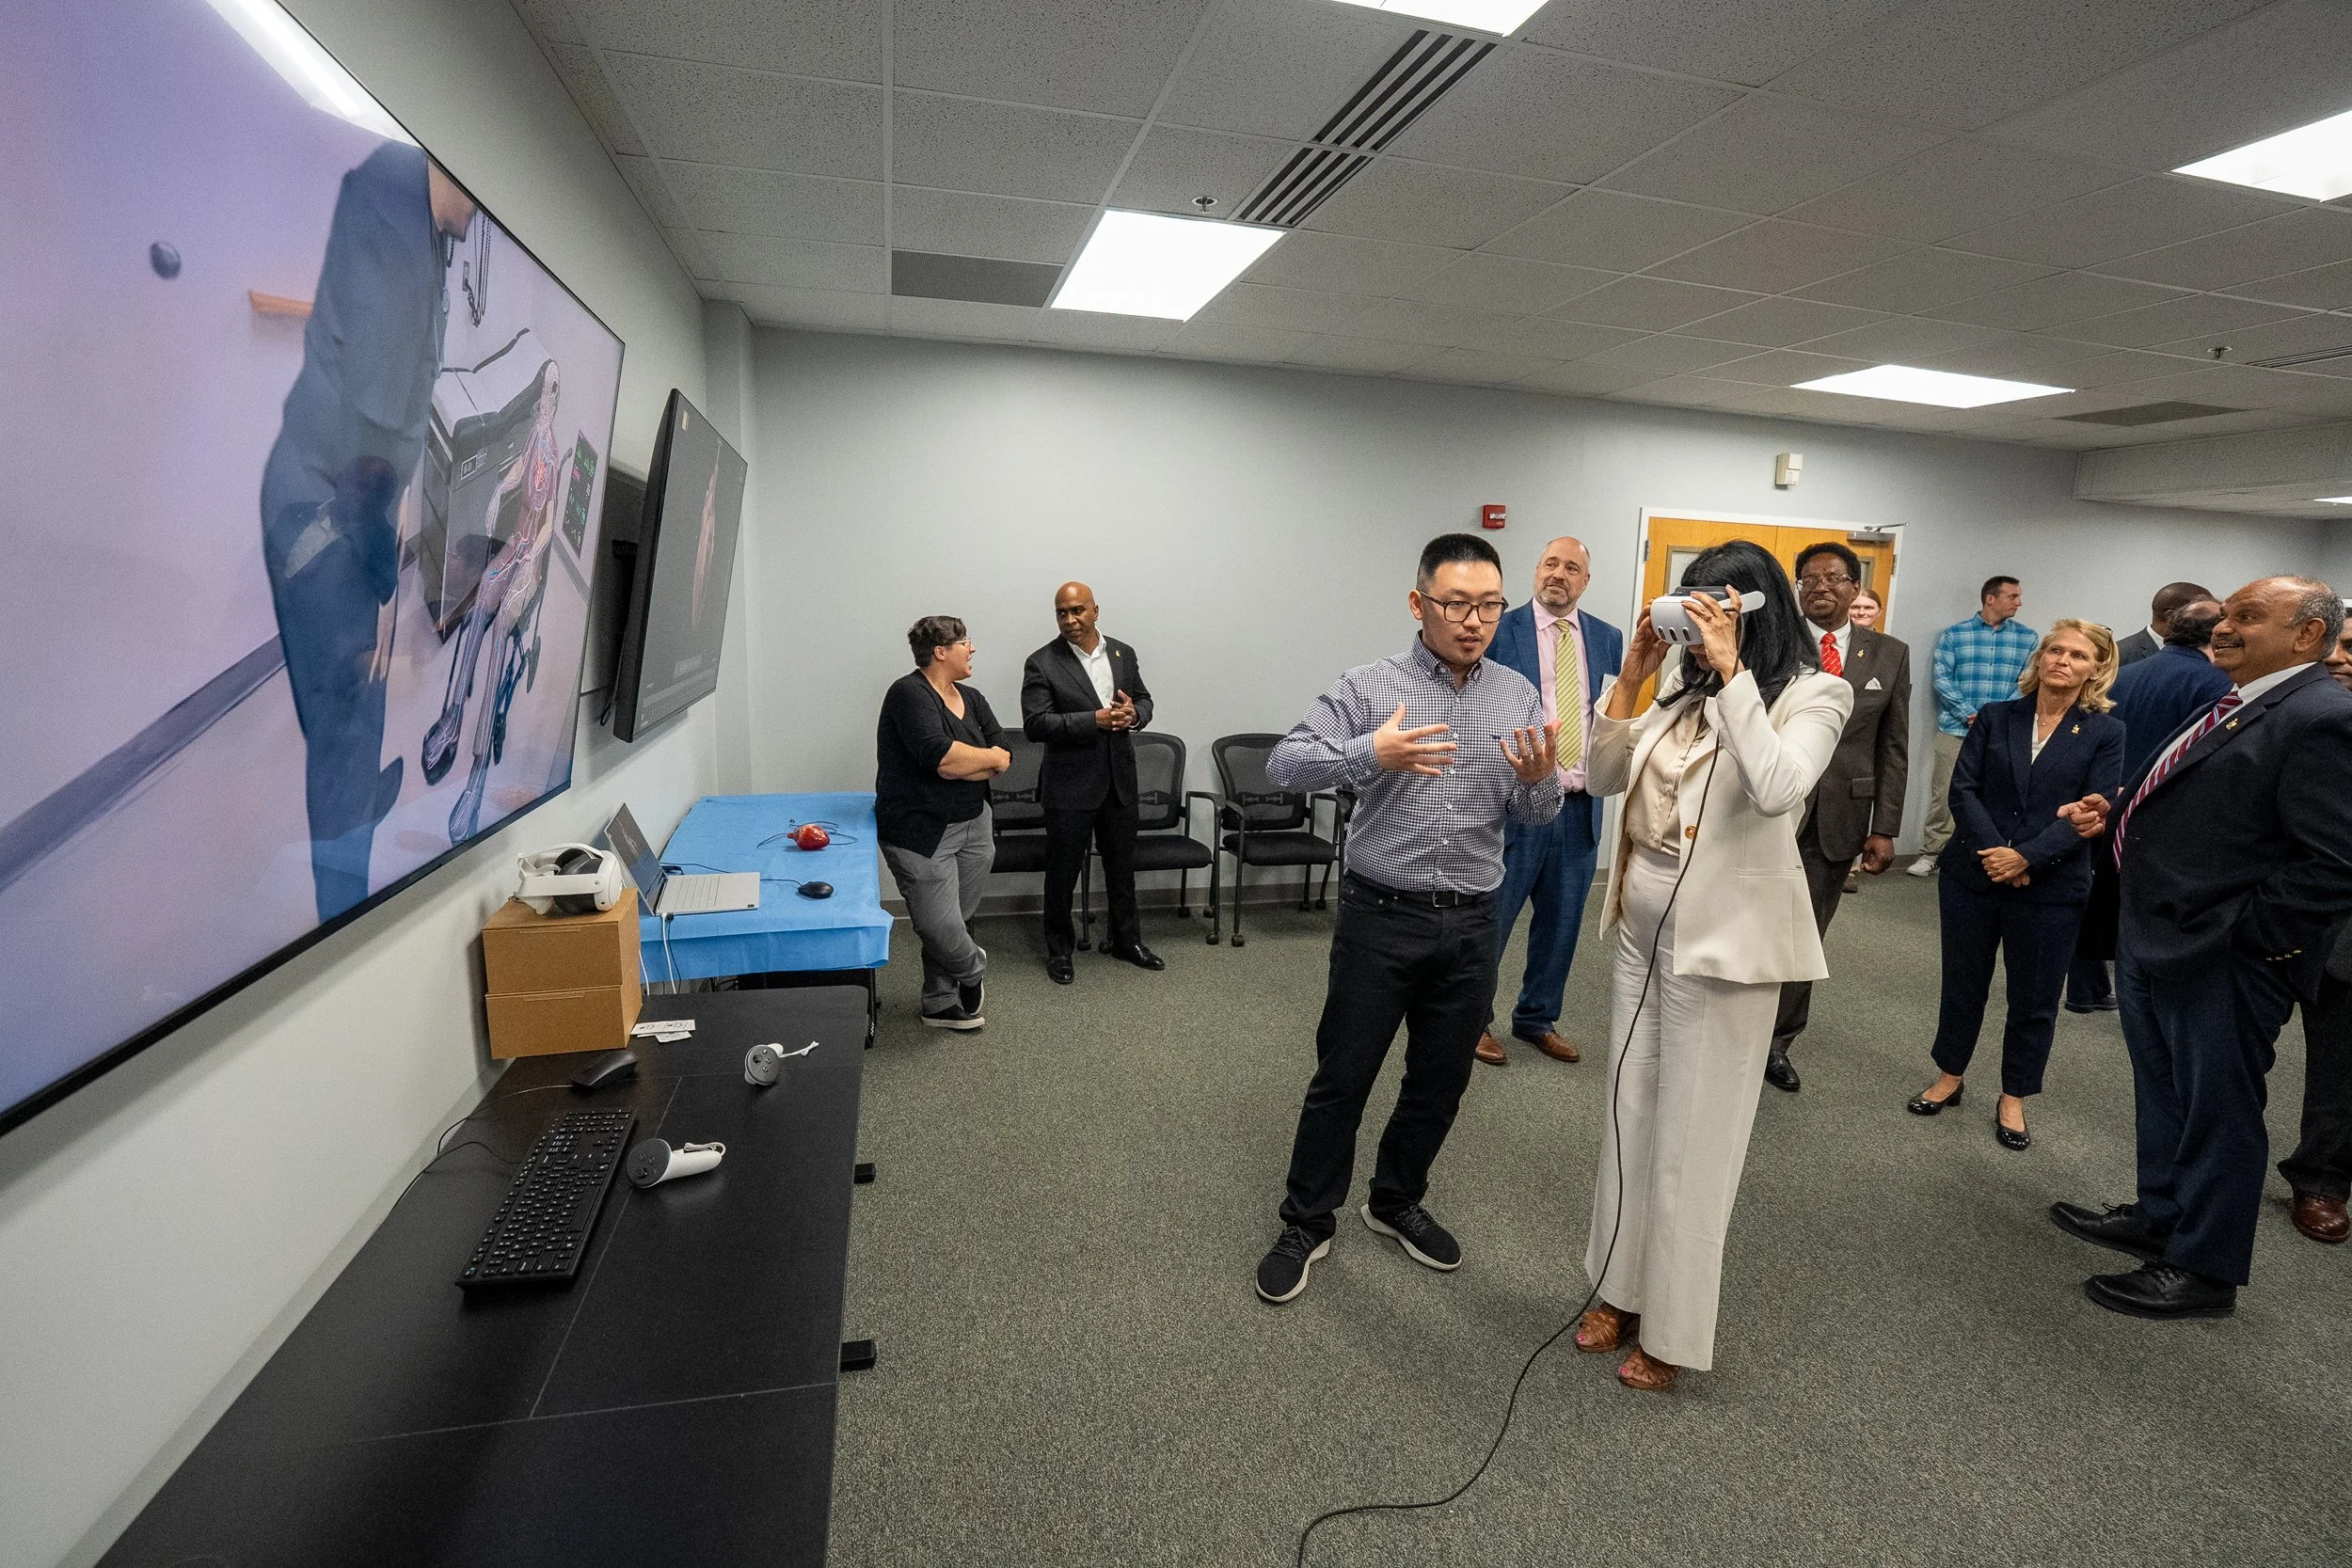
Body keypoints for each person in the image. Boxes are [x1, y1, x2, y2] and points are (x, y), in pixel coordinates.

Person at [1254, 534, 1561, 1305]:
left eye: (1489, 605)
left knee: (1440, 1079)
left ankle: (1394, 1200)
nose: (1474, 621)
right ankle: (1309, 1218)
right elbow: (1284, 765)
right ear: (1418, 602)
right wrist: (1370, 752)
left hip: (1471, 923)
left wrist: (1539, 781)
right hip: (1379, 916)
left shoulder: (1518, 694)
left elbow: (1535, 810)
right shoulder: (1369, 685)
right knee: (1343, 1076)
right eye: (1457, 603)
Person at [1574, 542, 1851, 1390]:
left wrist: (1732, 674)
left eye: (1713, 611)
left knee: (1697, 1142)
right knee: (1630, 1110)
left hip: (1726, 948)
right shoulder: (1674, 684)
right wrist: (1631, 679)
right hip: (1642, 928)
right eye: (1689, 608)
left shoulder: (1815, 694)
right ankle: (1618, 1287)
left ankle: (1676, 1329)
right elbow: (1600, 776)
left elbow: (1777, 789)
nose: (1696, 627)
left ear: (1754, 609)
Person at [2053, 578, 2352, 1319]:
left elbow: (2334, 862)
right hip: (2158, 935)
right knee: (2165, 1092)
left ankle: (2204, 1266)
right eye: (2226, 613)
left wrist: (2249, 942)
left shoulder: (2323, 715)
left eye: (2249, 617)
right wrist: (2116, 808)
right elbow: (2199, 796)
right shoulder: (2243, 699)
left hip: (2222, 952)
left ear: (2308, 635)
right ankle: (2161, 1215)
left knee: (2218, 1109)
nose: (2224, 626)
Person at [259, 146, 475, 921]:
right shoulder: (393, 225)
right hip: (321, 515)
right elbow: (368, 468)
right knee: (347, 708)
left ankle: (358, 799)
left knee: (359, 699)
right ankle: (342, 914)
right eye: (474, 200)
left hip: (340, 495)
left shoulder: (416, 218)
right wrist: (386, 586)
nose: (476, 217)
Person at [1908, 622, 2124, 1149]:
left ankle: (2014, 1095)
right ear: (2040, 656)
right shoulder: (1998, 717)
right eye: (2055, 649)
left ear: (2096, 667)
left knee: (2034, 997)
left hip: (2051, 884)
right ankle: (1950, 1074)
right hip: (1974, 875)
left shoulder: (2105, 732)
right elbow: (1964, 791)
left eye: (2078, 655)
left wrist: (2027, 857)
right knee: (1963, 983)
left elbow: (2092, 810)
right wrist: (1998, 857)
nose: (2063, 661)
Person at [1768, 542, 1910, 1093]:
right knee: (1754, 920)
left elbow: (1893, 746)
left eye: (1833, 578)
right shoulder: (1776, 644)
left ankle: (1779, 1041)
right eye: (1808, 579)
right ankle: (1738, 1025)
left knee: (1807, 931)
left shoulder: (1888, 654)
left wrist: (1884, 826)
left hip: (1839, 817)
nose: (1820, 587)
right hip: (1771, 807)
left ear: (1855, 588)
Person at [1477, 536, 1623, 1066]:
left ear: (1585, 581)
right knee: (1494, 917)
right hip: (1516, 804)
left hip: (1581, 807)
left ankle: (1537, 1018)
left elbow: (1609, 712)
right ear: (1536, 572)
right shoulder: (1500, 628)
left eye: (1572, 568)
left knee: (1562, 924)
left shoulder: (1608, 638)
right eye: (1550, 564)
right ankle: (1473, 1021)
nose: (1558, 574)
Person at [2066, 599, 2230, 1013]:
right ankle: (2145, 992)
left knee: (2095, 894)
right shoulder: (2215, 684)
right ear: (2214, 635)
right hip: (2163, 810)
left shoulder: (2125, 673)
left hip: (2106, 802)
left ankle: (2086, 991)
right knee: (2146, 909)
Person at [876, 616, 1011, 1031]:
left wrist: (979, 761)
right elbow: (942, 758)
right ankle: (971, 967)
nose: (971, 649)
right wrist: (978, 760)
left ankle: (938, 1002)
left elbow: (1004, 753)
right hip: (921, 830)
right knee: (937, 923)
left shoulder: (973, 696)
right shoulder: (908, 694)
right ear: (940, 651)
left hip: (975, 823)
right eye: (965, 642)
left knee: (955, 918)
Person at [1021, 582, 1160, 984]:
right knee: (1062, 874)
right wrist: (1093, 720)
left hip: (1119, 780)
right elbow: (1035, 724)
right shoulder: (1042, 662)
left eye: (1077, 610)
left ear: (1096, 611)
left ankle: (1126, 941)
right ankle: (1060, 952)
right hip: (1069, 785)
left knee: (1121, 868)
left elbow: (1145, 700)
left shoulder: (1123, 652)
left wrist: (1134, 714)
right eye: (1062, 613)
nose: (1070, 620)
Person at [2279, 606, 2352, 1243]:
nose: (2343, 658)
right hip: (2274, 918)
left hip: (2345, 932)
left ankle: (2323, 1177)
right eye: (2340, 645)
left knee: (2341, 1066)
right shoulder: (2296, 713)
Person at [1911, 576, 2037, 877]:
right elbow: (1943, 680)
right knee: (1945, 795)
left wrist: (1996, 718)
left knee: (1997, 797)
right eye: (2012, 596)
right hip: (1956, 730)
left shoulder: (2028, 638)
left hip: (2005, 734)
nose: (2019, 602)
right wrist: (1972, 714)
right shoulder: (1954, 635)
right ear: (1990, 599)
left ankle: (1980, 856)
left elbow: (2027, 682)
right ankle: (1931, 853)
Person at [2115, 580, 2215, 668]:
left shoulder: (2210, 654)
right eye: (2203, 614)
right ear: (2171, 617)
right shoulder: (2118, 655)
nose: (2216, 623)